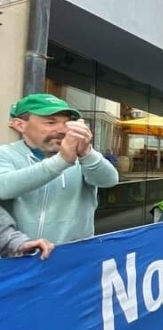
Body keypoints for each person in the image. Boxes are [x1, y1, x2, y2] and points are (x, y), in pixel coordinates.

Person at [0, 93, 119, 243]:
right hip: (19, 254)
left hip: (73, 252)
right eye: (51, 122)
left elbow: (109, 180)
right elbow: (3, 187)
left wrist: (87, 153)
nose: (62, 130)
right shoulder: (6, 154)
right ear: (20, 125)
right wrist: (61, 161)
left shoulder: (82, 157)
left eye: (67, 123)